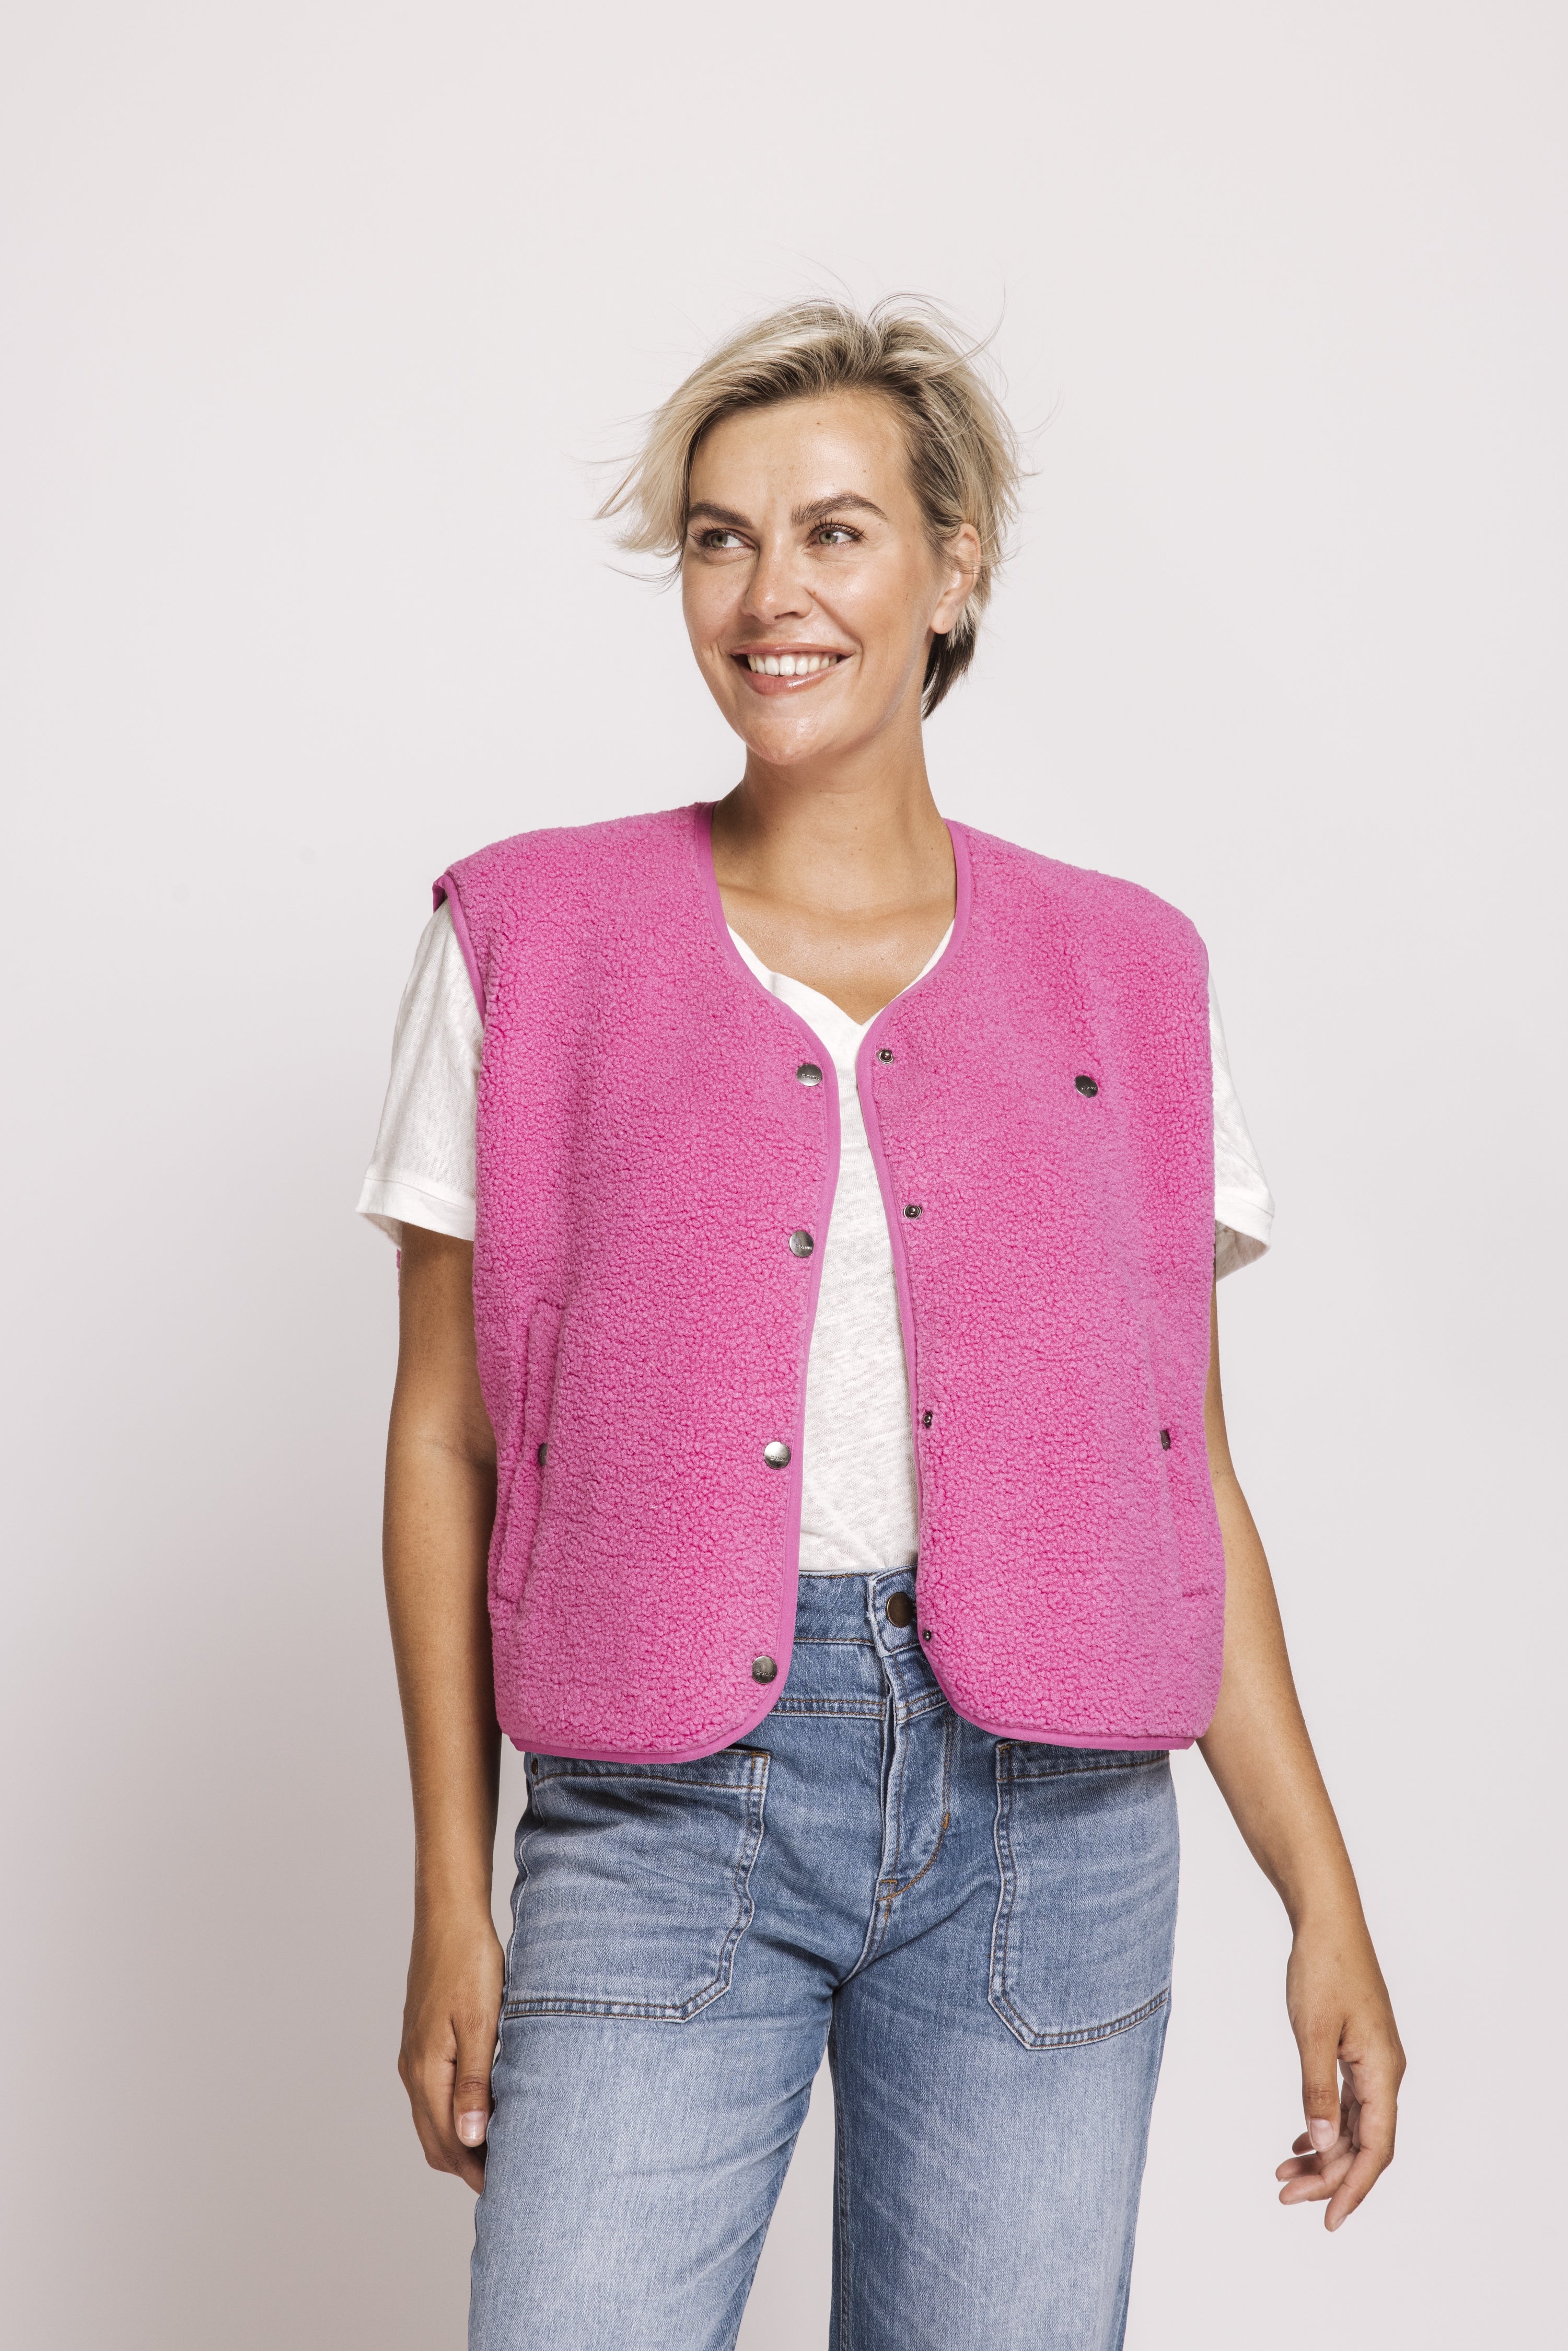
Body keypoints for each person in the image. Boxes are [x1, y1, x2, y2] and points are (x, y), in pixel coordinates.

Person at [360, 299, 1404, 2351]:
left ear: (953, 569)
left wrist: (1322, 1896)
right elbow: (440, 1439)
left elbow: (1182, 1477)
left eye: (834, 533)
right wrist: (447, 1893)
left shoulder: (1128, 973)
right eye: (721, 538)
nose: (771, 593)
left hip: (1053, 1828)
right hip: (658, 1817)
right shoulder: (527, 936)